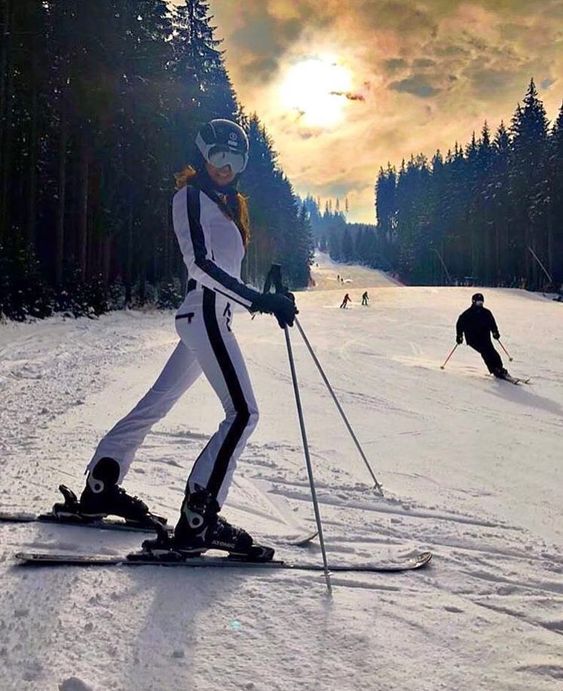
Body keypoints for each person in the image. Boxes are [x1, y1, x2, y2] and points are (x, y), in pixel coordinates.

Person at [58, 119, 297, 560]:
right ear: (203, 156)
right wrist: (257, 302)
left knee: (156, 403)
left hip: (210, 317)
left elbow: (227, 263)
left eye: (236, 158)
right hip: (205, 311)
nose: (225, 166)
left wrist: (268, 290)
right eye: (218, 157)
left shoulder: (230, 205)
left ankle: (100, 486)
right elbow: (200, 265)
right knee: (243, 414)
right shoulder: (190, 197)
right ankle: (199, 519)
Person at [455, 293, 508, 378]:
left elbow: (492, 323)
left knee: (493, 352)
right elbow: (460, 325)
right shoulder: (467, 314)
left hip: (485, 337)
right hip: (473, 338)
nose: (480, 304)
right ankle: (494, 369)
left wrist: (495, 332)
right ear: (473, 302)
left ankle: (499, 368)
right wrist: (459, 336)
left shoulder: (486, 313)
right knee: (485, 352)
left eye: (481, 302)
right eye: (478, 302)